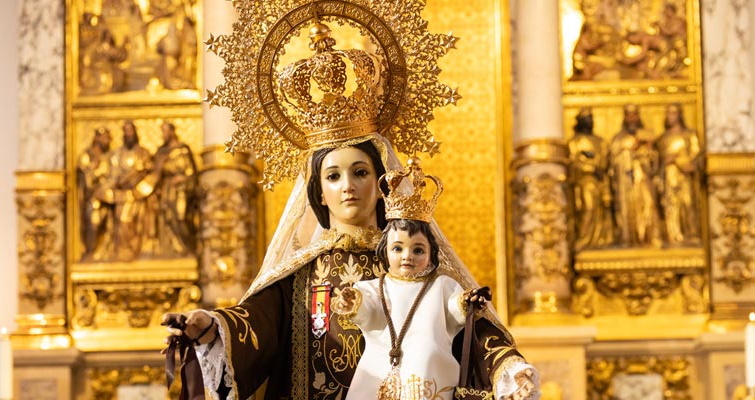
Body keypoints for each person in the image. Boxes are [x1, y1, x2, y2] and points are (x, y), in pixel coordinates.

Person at [162, 18, 537, 400]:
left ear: (382, 181)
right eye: (334, 177)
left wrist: (508, 366)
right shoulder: (300, 273)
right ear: (319, 193)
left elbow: (471, 324)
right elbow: (254, 323)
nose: (348, 187)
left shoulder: (413, 259)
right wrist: (211, 326)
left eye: (360, 172)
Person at [334, 157, 532, 400]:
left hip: (429, 378)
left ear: (431, 254)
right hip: (377, 375)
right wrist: (351, 302)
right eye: (398, 248)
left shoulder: (441, 285)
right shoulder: (375, 287)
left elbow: (454, 310)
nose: (407, 256)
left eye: (418, 250)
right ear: (384, 250)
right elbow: (368, 309)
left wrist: (467, 302)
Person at [94, 121, 157, 261]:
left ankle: (136, 250)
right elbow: (113, 176)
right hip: (122, 194)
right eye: (126, 131)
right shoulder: (117, 154)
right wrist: (108, 188)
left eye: (131, 131)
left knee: (138, 224)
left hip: (140, 195)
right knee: (122, 220)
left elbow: (151, 174)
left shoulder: (143, 153)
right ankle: (124, 251)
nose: (128, 134)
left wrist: (140, 188)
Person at [609, 105, 663, 248]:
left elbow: (654, 164)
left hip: (643, 180)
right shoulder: (618, 140)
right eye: (629, 115)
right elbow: (613, 163)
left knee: (648, 204)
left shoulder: (646, 138)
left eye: (634, 115)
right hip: (626, 182)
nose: (632, 118)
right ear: (625, 118)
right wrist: (628, 151)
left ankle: (651, 238)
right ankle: (628, 239)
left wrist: (649, 149)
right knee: (627, 209)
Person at [149, 121, 199, 257]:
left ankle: (189, 247)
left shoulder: (182, 149)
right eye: (162, 131)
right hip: (168, 189)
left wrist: (182, 179)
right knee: (169, 217)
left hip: (181, 189)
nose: (163, 135)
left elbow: (191, 172)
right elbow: (156, 172)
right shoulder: (161, 152)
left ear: (172, 132)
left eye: (165, 131)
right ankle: (178, 249)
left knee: (181, 217)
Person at [656, 103, 702, 245]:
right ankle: (674, 236)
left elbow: (696, 156)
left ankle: (691, 233)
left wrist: (677, 160)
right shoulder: (663, 138)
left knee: (687, 203)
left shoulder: (689, 135)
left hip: (685, 177)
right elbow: (658, 161)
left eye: (673, 113)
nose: (670, 117)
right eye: (668, 113)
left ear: (680, 115)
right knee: (671, 206)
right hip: (669, 178)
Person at [568, 108, 614, 250]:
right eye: (587, 118)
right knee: (588, 208)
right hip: (585, 182)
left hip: (600, 182)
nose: (590, 121)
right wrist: (591, 168)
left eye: (591, 118)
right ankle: (584, 239)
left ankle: (601, 240)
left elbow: (606, 161)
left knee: (603, 212)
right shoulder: (574, 142)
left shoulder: (600, 141)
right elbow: (573, 164)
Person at [76, 127, 112, 260]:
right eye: (104, 138)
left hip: (108, 197)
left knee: (109, 226)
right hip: (93, 198)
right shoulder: (87, 156)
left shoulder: (109, 157)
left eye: (108, 138)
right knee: (93, 223)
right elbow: (87, 179)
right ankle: (91, 250)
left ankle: (104, 251)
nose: (107, 141)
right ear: (97, 138)